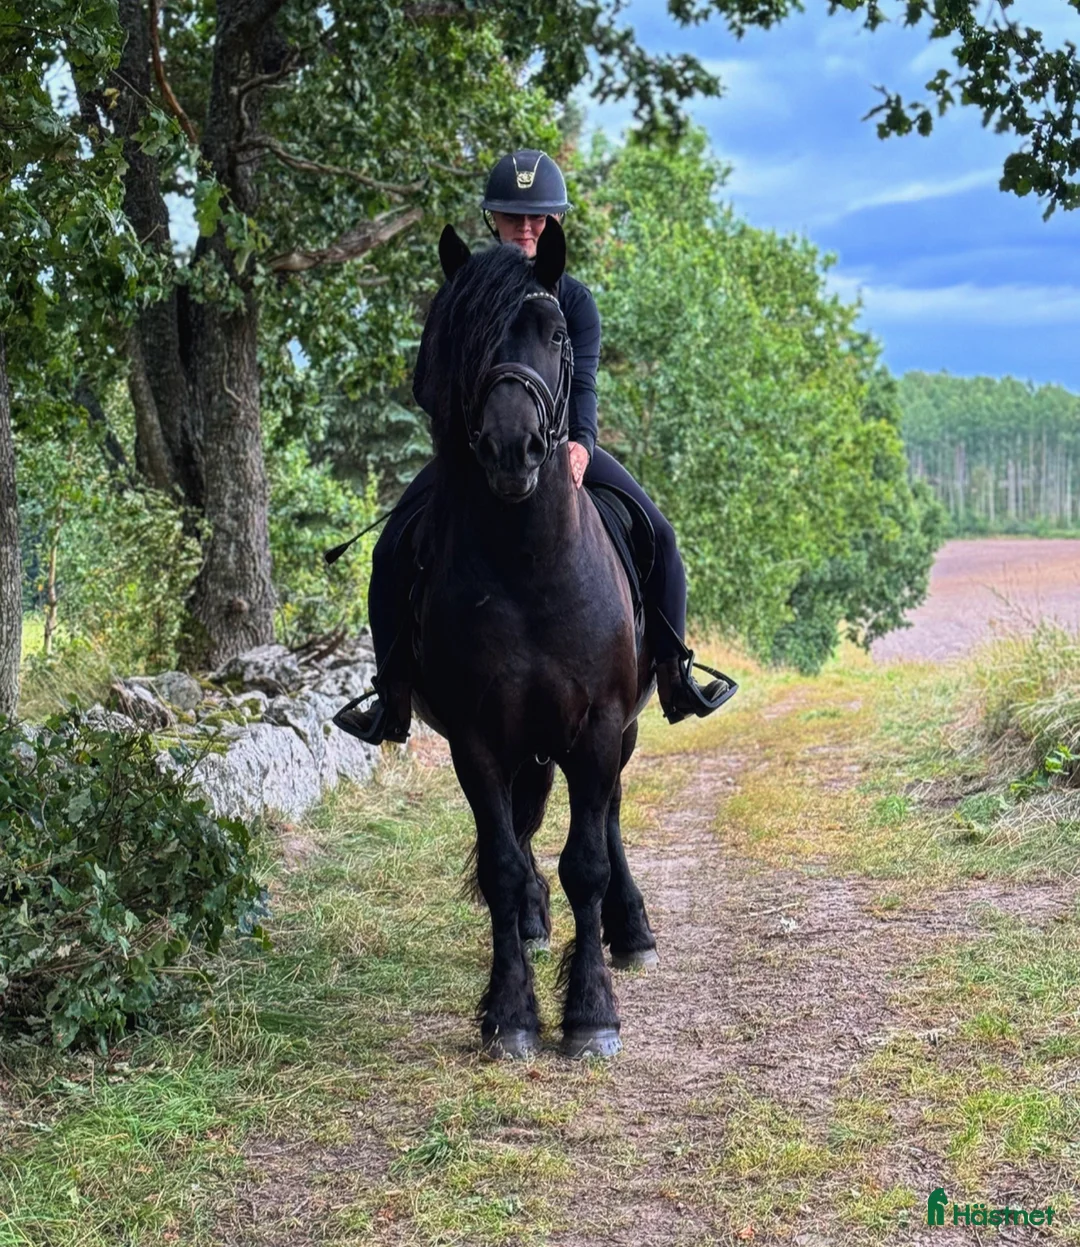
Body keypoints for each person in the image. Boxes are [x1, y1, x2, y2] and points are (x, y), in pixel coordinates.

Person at [334, 149, 733, 745]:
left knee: (661, 535)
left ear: (554, 222)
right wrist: (471, 431)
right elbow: (424, 385)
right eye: (513, 217)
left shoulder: (574, 300)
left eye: (538, 218)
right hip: (474, 454)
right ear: (492, 218)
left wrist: (582, 444)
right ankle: (392, 696)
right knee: (390, 550)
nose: (526, 229)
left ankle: (675, 673)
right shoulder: (462, 295)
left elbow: (585, 383)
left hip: (561, 446)